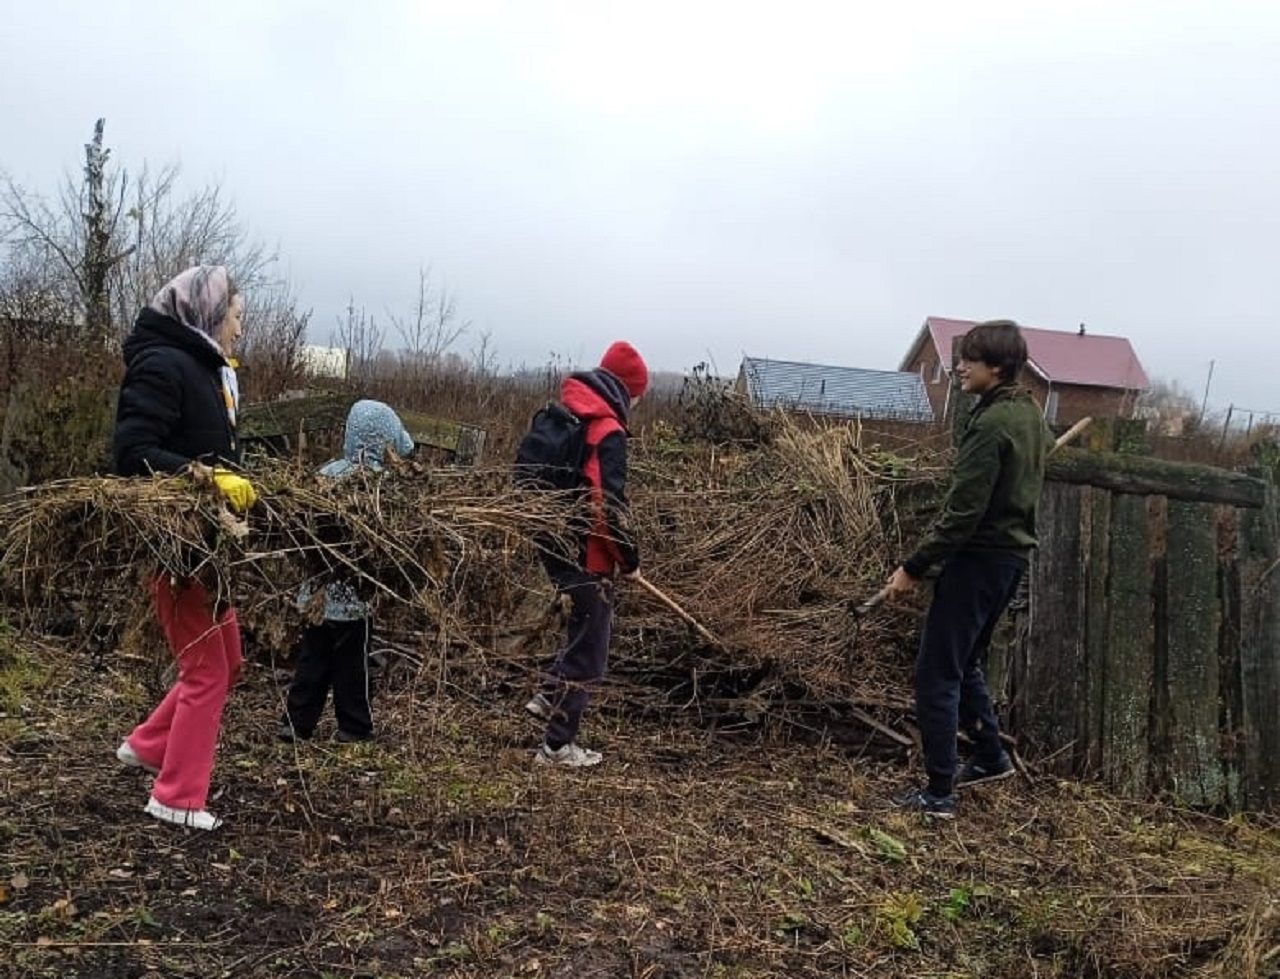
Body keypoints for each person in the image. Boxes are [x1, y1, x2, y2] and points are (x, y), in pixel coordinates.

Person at [883, 320, 1051, 820]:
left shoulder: (993, 425)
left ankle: (938, 794)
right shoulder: (1028, 416)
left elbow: (962, 513)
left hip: (977, 559)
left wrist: (913, 567)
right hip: (1009, 561)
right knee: (968, 661)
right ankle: (991, 756)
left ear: (996, 368)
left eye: (969, 361)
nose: (958, 368)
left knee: (937, 673)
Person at [113, 265, 257, 831]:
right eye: (237, 319)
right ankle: (176, 796)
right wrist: (205, 478)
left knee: (229, 661)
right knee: (205, 674)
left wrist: (234, 478)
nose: (240, 332)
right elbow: (132, 454)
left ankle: (149, 745)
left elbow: (203, 445)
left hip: (205, 548)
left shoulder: (204, 370)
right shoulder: (162, 364)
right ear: (209, 316)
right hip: (176, 553)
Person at [525, 341, 647, 767]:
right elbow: (605, 506)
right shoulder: (606, 429)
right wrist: (628, 560)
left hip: (555, 545)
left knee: (581, 632)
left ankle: (547, 695)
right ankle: (558, 747)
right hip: (588, 555)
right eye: (637, 395)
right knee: (591, 650)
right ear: (626, 389)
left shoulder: (573, 413)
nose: (636, 403)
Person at [278, 400, 414, 744]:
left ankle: (296, 725)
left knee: (312, 662)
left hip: (316, 597)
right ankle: (354, 727)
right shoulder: (380, 488)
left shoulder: (326, 476)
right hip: (355, 600)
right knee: (353, 667)